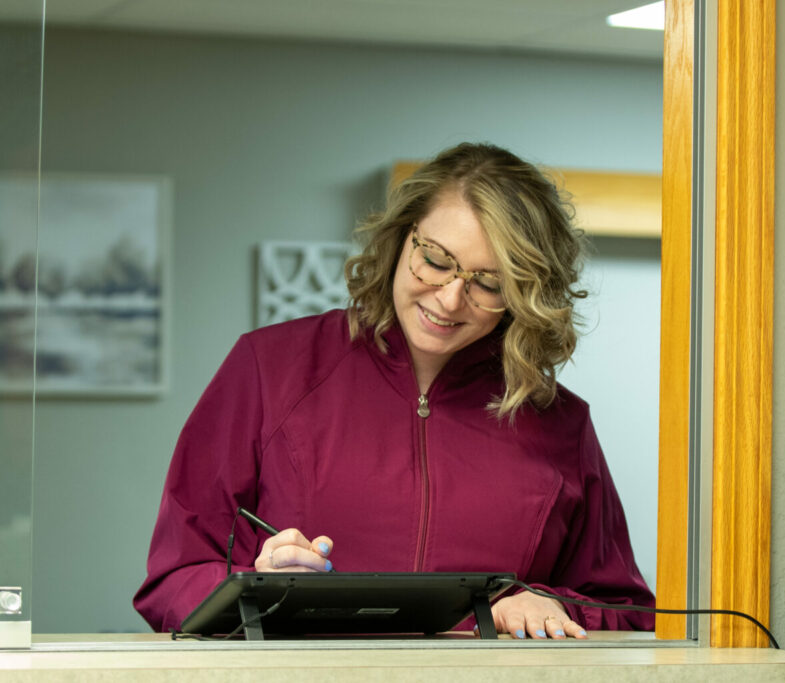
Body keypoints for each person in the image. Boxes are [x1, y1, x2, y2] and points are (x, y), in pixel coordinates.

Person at [133, 142, 655, 638]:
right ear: (400, 238)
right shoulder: (268, 369)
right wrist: (253, 589)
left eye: (489, 284)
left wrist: (551, 604)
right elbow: (173, 581)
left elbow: (627, 611)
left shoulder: (559, 422)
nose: (450, 300)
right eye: (435, 260)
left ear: (525, 295)